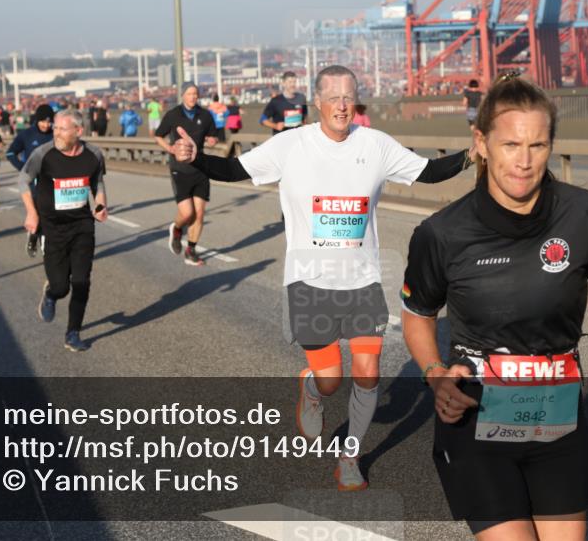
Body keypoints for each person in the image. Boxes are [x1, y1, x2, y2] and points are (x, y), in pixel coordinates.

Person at [172, 65, 479, 491]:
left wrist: (472, 154)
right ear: (316, 102)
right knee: (332, 379)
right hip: (310, 282)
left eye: (348, 95)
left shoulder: (375, 145)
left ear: (356, 101)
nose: (341, 104)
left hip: (362, 281)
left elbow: (427, 171)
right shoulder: (291, 144)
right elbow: (234, 170)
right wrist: (196, 159)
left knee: (369, 373)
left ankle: (349, 457)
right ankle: (313, 390)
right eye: (332, 96)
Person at [400, 72, 588, 541]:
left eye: (538, 145)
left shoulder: (583, 211)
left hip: (557, 420)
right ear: (482, 143)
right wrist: (434, 373)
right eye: (511, 144)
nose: (524, 161)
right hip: (475, 419)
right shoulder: (442, 232)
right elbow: (418, 316)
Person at [18, 108, 108, 352]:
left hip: (82, 226)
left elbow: (97, 182)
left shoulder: (94, 155)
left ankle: (73, 332)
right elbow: (23, 180)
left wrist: (100, 203)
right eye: (55, 128)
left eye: (61, 129)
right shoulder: (43, 154)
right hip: (53, 228)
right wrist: (31, 212)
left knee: (81, 282)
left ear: (78, 131)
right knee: (61, 287)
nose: (55, 133)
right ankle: (50, 294)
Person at [153, 82, 218, 266]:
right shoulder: (173, 115)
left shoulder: (205, 115)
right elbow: (159, 136)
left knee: (199, 213)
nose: (193, 97)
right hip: (180, 169)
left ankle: (191, 250)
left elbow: (213, 135)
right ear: (182, 95)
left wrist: (212, 139)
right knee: (187, 213)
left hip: (200, 168)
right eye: (189, 94)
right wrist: (171, 149)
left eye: (195, 94)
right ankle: (177, 228)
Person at [8, 104, 56, 257]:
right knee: (38, 211)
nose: (46, 125)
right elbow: (10, 153)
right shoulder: (26, 135)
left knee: (51, 213)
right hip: (33, 181)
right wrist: (24, 168)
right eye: (43, 121)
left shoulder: (56, 134)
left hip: (53, 180)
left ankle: (46, 244)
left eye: (49, 122)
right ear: (37, 120)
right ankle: (34, 235)